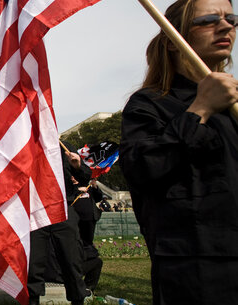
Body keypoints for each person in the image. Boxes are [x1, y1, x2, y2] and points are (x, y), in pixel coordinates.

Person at [119, 0, 238, 304]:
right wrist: (200, 109)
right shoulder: (149, 105)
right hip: (198, 269)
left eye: (231, 18)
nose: (226, 26)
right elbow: (142, 168)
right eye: (209, 19)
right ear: (174, 40)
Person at [28, 148, 90, 305]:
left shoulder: (64, 149)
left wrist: (77, 166)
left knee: (71, 259)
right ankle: (33, 299)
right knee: (34, 262)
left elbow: (85, 178)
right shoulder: (26, 144)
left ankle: (78, 299)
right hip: (36, 210)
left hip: (62, 210)